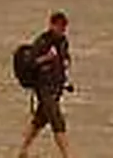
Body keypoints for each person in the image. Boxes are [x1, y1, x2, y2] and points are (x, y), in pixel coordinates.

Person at [19, 11, 74, 158]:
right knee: (57, 120)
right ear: (52, 25)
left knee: (40, 120)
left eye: (64, 28)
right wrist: (46, 58)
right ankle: (67, 155)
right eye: (59, 27)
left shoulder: (63, 41)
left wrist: (66, 62)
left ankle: (23, 150)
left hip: (57, 87)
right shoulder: (42, 42)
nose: (62, 30)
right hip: (44, 88)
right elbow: (30, 63)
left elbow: (65, 57)